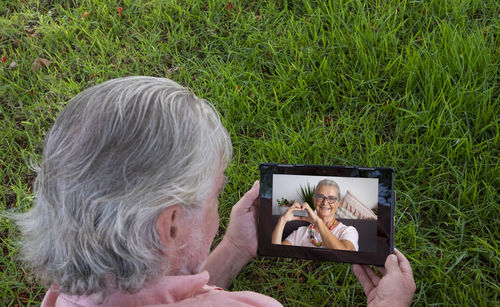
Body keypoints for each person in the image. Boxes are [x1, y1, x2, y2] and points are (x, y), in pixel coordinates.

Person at [15, 76, 415, 306]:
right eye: (215, 196)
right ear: (170, 225)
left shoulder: (67, 295)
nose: (218, 210)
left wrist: (235, 249)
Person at [271, 179, 359, 251]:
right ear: (314, 201)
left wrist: (318, 222)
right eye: (320, 197)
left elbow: (346, 255)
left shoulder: (348, 231)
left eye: (331, 198)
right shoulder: (301, 232)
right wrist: (282, 220)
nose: (325, 202)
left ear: (338, 204)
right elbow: (276, 252)